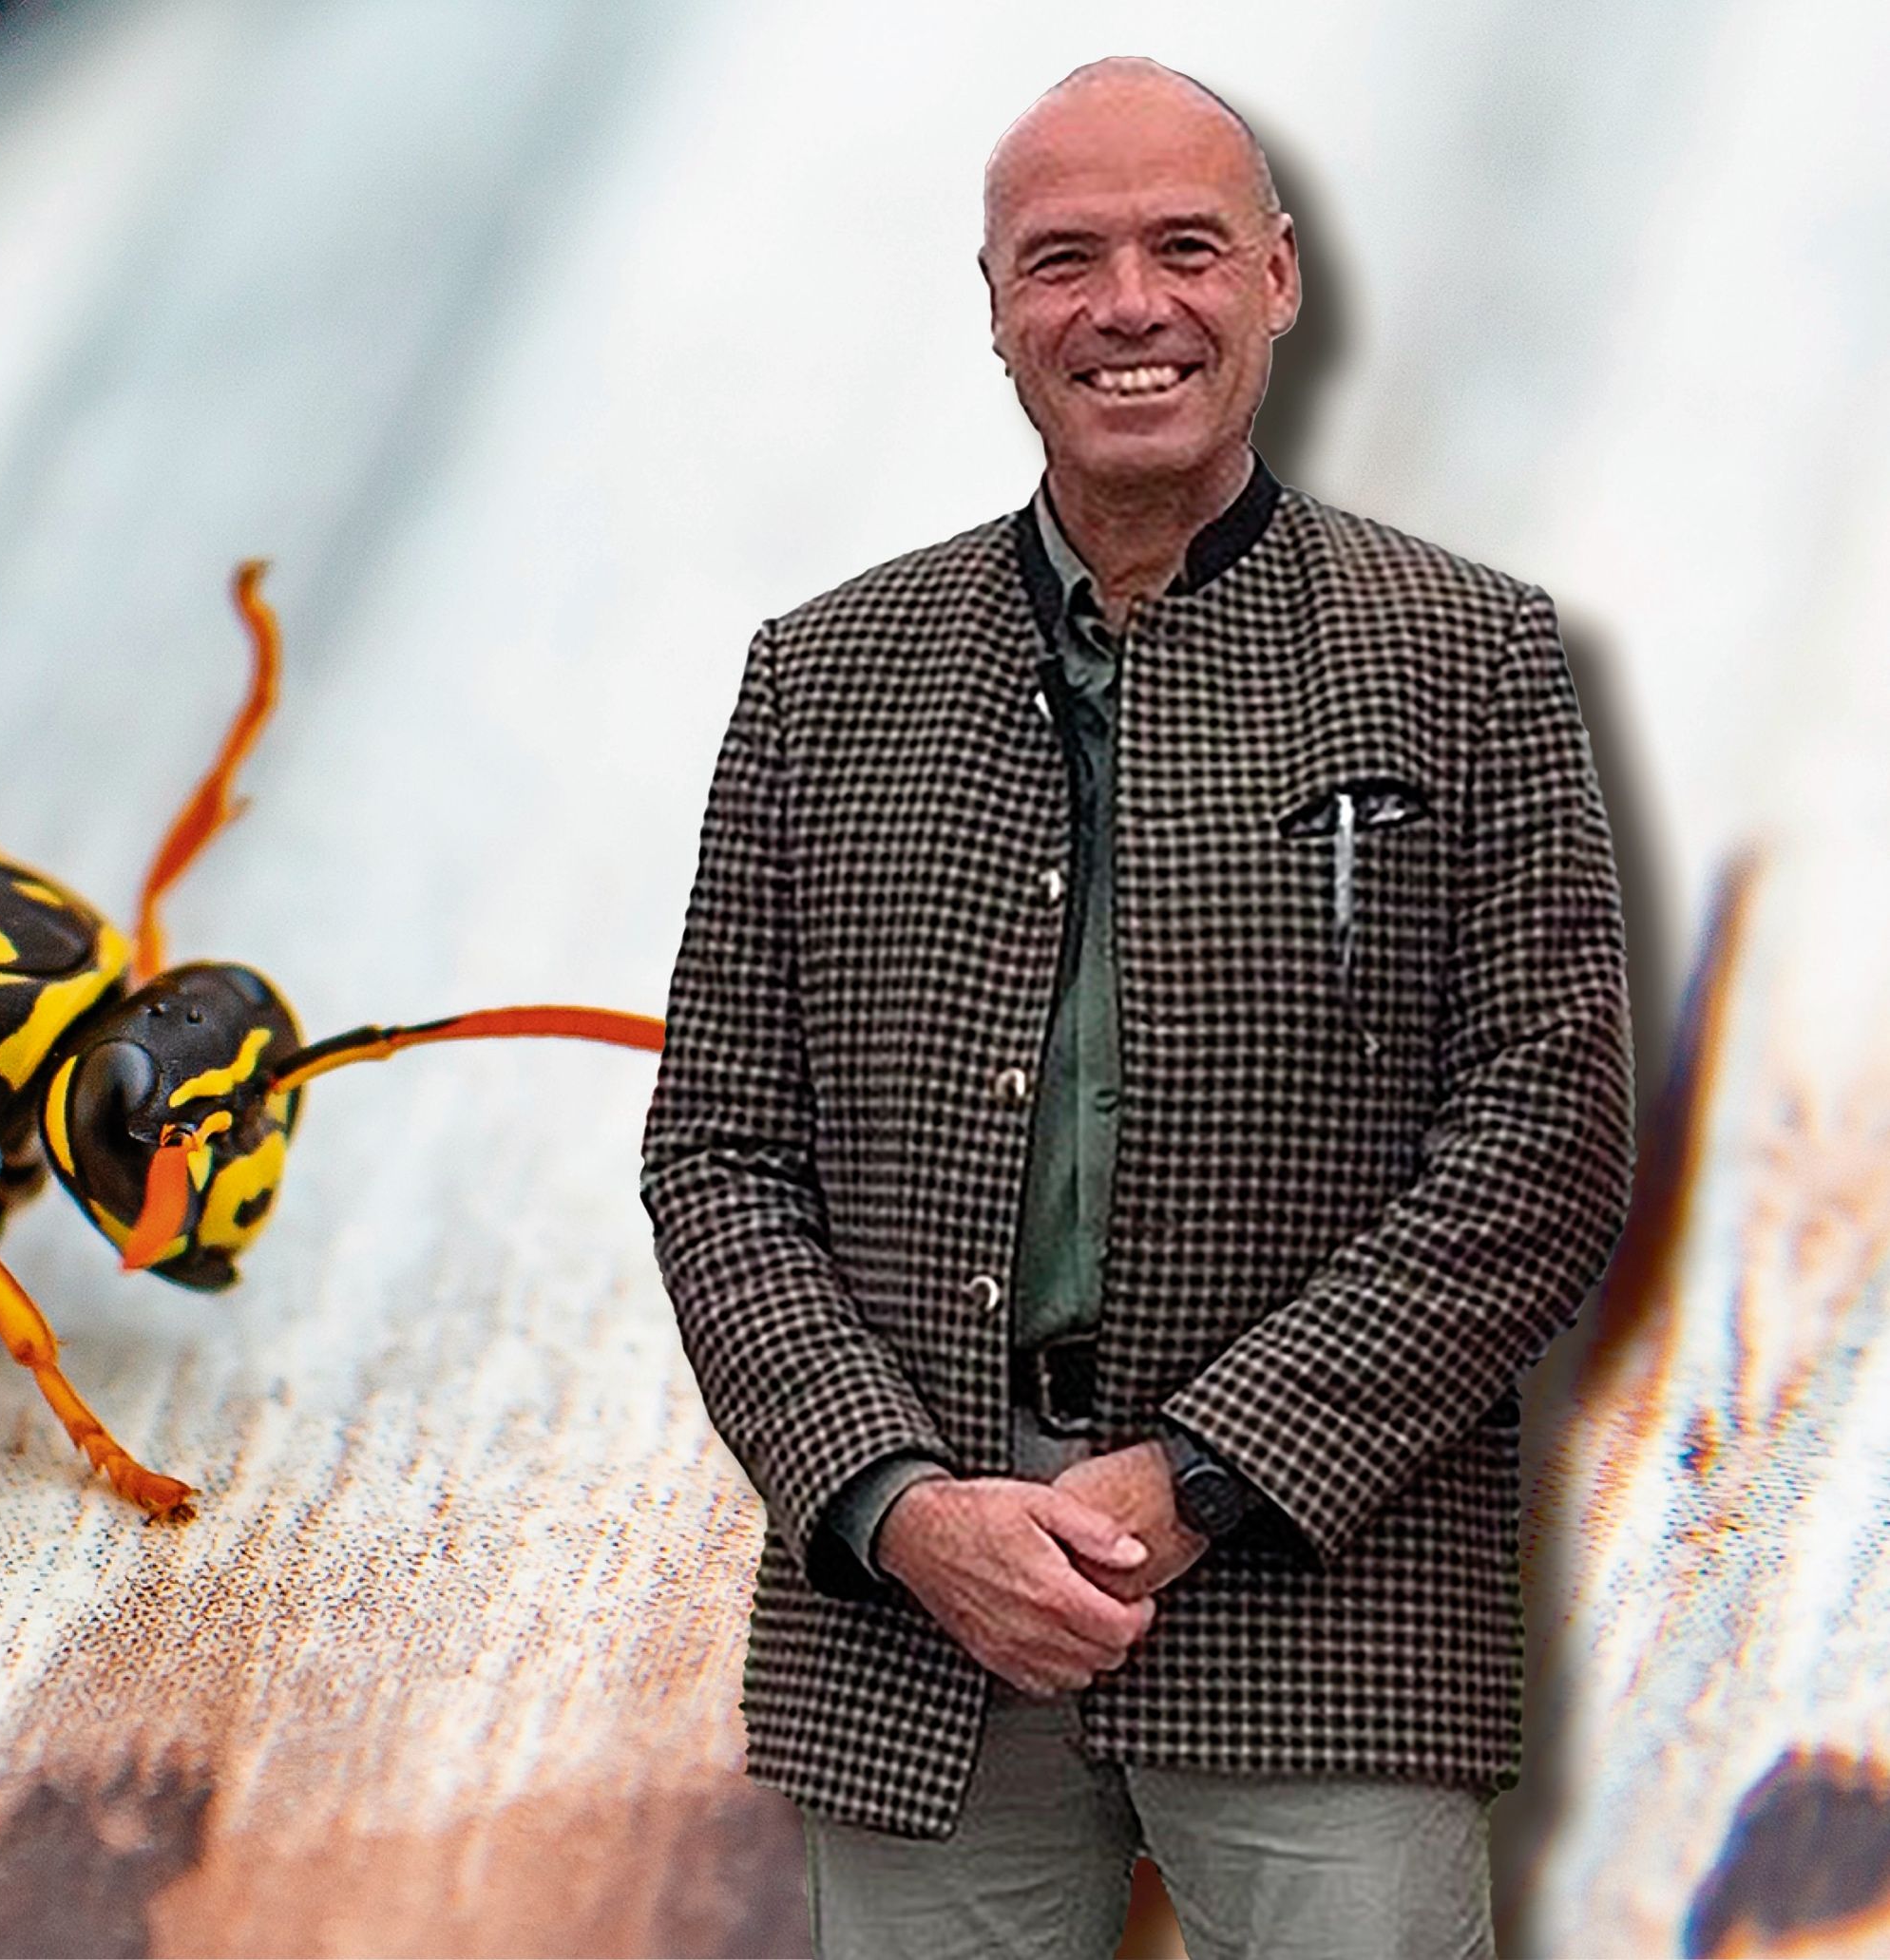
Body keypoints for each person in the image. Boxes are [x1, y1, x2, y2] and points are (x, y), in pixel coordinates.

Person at [640, 57, 1632, 1958]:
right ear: (996, 309)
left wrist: (1196, 1478)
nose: (1126, 305)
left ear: (1276, 279)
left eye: (1183, 247)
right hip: (916, 1615)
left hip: (1322, 1581)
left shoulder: (1466, 656)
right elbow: (717, 1159)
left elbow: (1541, 1147)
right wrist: (900, 1504)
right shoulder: (821, 679)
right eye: (1061, 257)